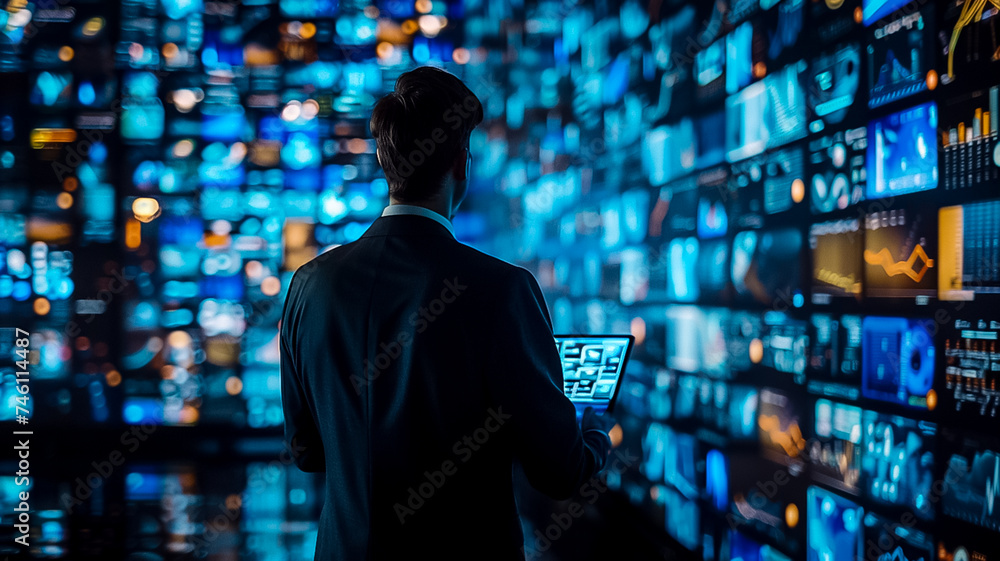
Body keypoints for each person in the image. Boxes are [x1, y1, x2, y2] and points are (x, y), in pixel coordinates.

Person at [279, 66, 614, 560]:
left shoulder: (309, 284)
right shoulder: (502, 290)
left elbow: (307, 450)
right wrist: (594, 431)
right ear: (462, 164)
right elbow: (560, 472)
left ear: (383, 160)